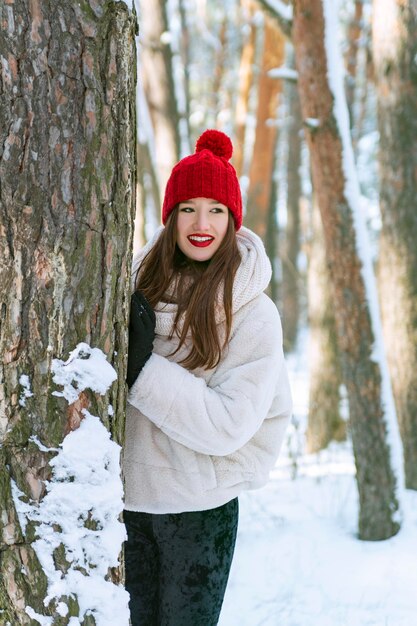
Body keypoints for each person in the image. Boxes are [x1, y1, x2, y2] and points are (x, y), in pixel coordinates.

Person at [123, 129, 292, 626]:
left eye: (216, 210)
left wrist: (143, 371)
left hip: (201, 510)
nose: (202, 223)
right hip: (127, 504)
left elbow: (228, 424)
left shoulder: (253, 313)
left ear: (233, 221)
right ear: (171, 215)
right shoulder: (135, 285)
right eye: (189, 208)